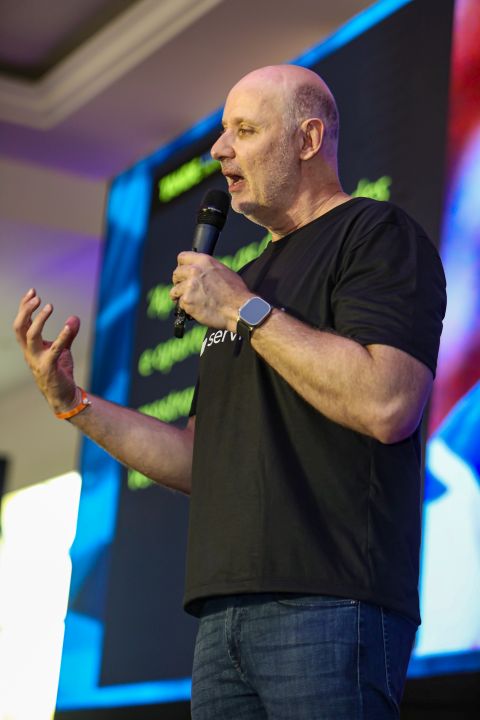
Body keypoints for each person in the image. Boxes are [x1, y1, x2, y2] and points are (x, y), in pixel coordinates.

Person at [14, 65, 446, 719]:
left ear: (308, 139)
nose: (220, 151)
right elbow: (198, 460)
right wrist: (73, 404)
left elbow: (388, 404)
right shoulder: (245, 281)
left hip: (331, 603)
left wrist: (243, 311)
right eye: (222, 132)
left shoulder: (375, 234)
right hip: (222, 620)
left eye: (244, 131)